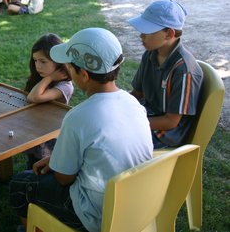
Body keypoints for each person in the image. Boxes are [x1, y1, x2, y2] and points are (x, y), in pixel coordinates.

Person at [9, 28, 153, 232]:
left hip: (96, 214)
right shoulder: (133, 103)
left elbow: (64, 178)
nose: (65, 68)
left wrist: (60, 164)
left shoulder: (78, 116)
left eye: (68, 65)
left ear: (83, 75)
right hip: (135, 203)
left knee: (20, 184)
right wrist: (56, 159)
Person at [128, 0, 203, 149]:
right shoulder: (149, 54)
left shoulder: (184, 70)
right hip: (147, 115)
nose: (141, 36)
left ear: (169, 33)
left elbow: (171, 122)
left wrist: (131, 123)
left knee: (118, 143)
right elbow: (137, 93)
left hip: (166, 134)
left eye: (148, 31)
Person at [24, 33, 74, 169]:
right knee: (32, 160)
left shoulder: (65, 86)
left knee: (41, 165)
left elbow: (34, 97)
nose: (37, 66)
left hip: (51, 135)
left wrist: (50, 78)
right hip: (37, 126)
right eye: (35, 60)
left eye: (43, 61)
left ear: (58, 61)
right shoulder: (41, 77)